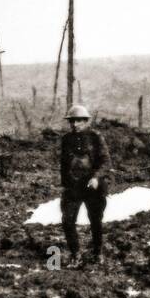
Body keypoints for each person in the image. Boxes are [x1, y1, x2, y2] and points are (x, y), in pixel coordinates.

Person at [59, 105, 109, 266]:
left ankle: (98, 252)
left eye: (79, 121)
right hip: (73, 187)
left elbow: (105, 161)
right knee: (67, 221)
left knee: (95, 220)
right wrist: (65, 184)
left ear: (86, 121)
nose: (75, 124)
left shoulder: (96, 137)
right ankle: (75, 255)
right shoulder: (66, 139)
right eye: (72, 121)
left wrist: (96, 178)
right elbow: (64, 164)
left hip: (93, 187)